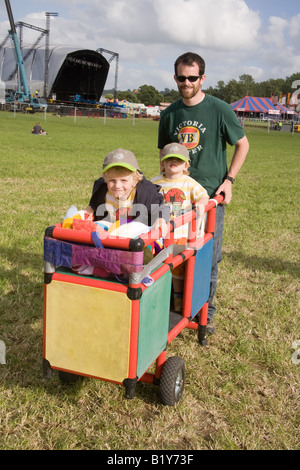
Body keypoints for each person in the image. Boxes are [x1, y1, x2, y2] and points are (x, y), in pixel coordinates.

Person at [158, 52, 249, 333]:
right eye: (182, 77)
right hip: (177, 198)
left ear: (202, 78)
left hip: (208, 199)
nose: (187, 82)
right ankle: (173, 305)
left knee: (208, 254)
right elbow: (163, 154)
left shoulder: (220, 109)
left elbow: (242, 144)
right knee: (171, 252)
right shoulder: (169, 113)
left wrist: (229, 180)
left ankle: (204, 311)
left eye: (192, 77)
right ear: (175, 78)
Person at [152, 142, 209, 313]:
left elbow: (203, 196)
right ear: (162, 163)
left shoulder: (189, 183)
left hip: (181, 233)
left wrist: (200, 203)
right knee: (156, 265)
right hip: (159, 232)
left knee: (178, 268)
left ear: (186, 165)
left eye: (178, 160)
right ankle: (159, 297)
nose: (173, 162)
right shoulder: (154, 182)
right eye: (169, 159)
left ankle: (177, 296)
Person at [84, 148, 169, 237]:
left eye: (124, 180)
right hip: (109, 233)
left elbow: (162, 208)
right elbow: (94, 204)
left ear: (135, 181)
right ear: (106, 179)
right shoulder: (101, 190)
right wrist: (90, 209)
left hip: (136, 234)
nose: (117, 186)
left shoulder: (146, 192)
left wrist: (160, 220)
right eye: (112, 180)